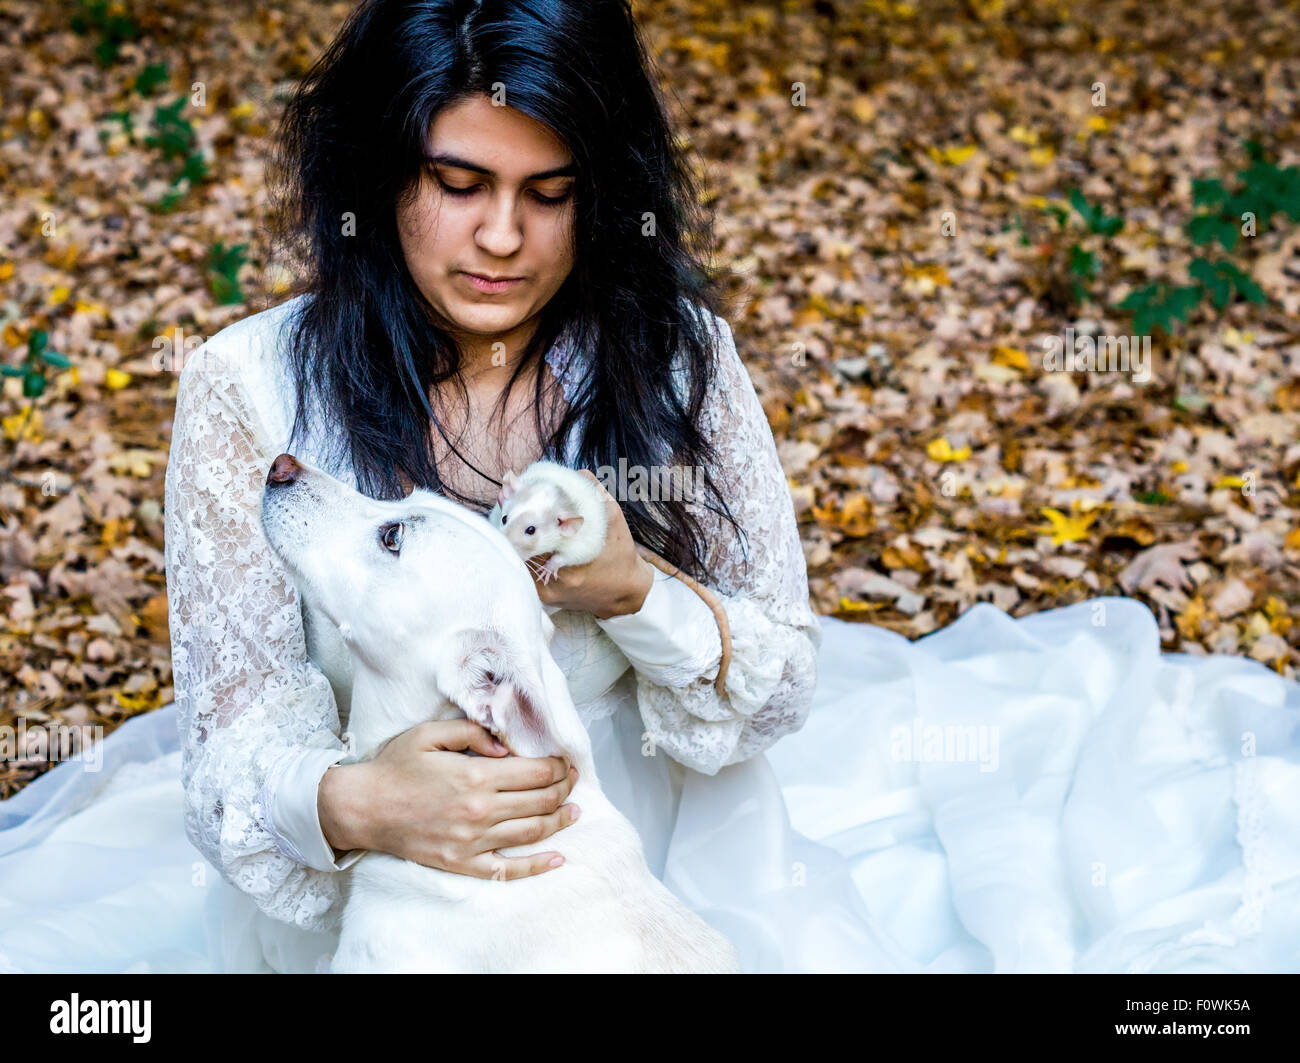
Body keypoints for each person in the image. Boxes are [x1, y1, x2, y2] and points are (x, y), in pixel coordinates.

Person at [1, 0, 1298, 975]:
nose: (502, 238)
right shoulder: (251, 387)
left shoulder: (667, 354)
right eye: (458, 187)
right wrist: (355, 802)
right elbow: (237, 735)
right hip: (388, 925)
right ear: (381, 177)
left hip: (668, 890)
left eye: (546, 195)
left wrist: (638, 590)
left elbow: (781, 672)